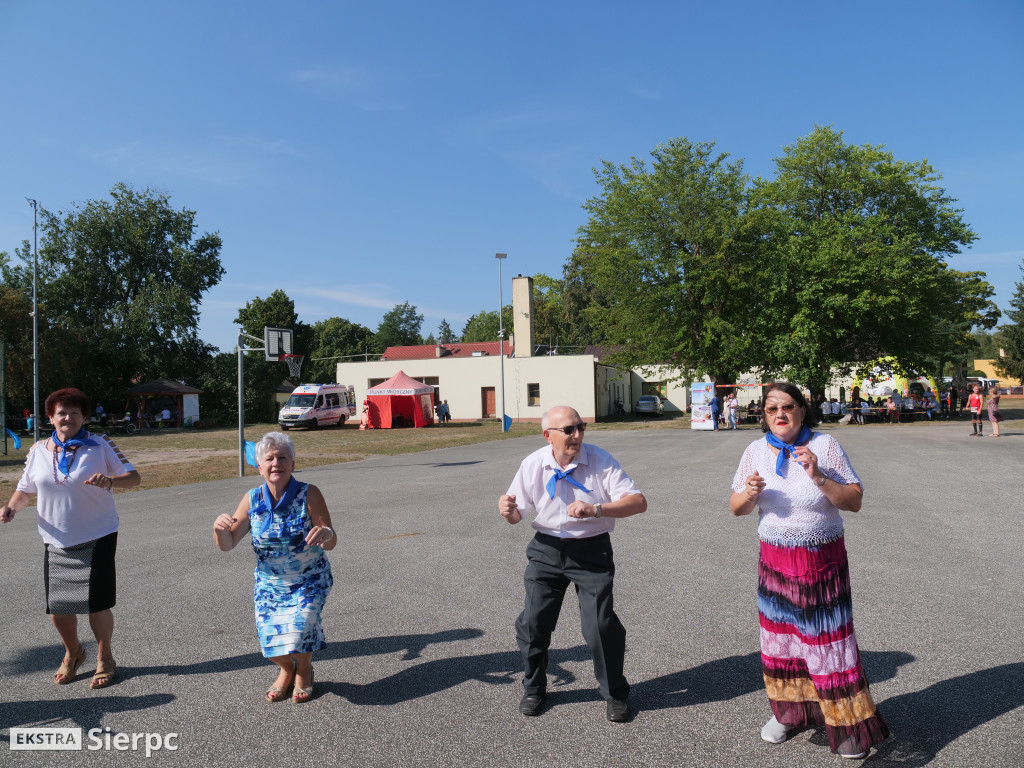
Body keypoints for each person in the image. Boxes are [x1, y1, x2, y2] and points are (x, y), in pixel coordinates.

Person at [729, 382, 889, 759]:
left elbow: (854, 502)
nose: (779, 414)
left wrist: (818, 476)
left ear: (803, 409)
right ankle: (789, 713)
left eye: (787, 407)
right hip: (775, 560)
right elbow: (736, 507)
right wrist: (750, 494)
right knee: (780, 641)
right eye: (771, 409)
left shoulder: (826, 445)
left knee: (827, 645)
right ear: (763, 414)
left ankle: (846, 724)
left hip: (820, 559)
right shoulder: (754, 450)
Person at [498, 406, 646, 722]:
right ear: (548, 435)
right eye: (568, 429)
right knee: (532, 623)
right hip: (546, 550)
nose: (576, 435)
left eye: (580, 427)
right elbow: (516, 515)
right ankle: (534, 688)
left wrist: (597, 509)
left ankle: (615, 693)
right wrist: (507, 509)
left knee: (599, 626)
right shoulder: (533, 464)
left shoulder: (600, 460)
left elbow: (638, 502)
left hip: (591, 551)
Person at [0, 388, 140, 688]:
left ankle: (105, 656)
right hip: (56, 538)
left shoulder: (100, 444)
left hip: (98, 533)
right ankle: (74, 652)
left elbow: (134, 477)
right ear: (50, 418)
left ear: (84, 416)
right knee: (59, 607)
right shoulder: (38, 450)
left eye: (74, 412)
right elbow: (25, 489)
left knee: (97, 604)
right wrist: (11, 507)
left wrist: (110, 480)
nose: (68, 417)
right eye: (61, 412)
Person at [213, 432, 335, 703]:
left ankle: (304, 670)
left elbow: (330, 538)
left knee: (301, 627)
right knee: (269, 643)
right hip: (270, 584)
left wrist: (326, 534)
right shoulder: (252, 499)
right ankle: (286, 668)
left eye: (282, 457)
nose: (276, 463)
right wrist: (219, 530)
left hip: (308, 579)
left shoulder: (308, 493)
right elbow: (228, 542)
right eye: (269, 458)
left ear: (292, 463)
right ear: (260, 466)